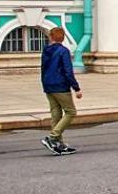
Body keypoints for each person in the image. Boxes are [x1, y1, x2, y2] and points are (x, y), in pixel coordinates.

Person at [40, 27, 82, 155]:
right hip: (60, 86)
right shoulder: (63, 51)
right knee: (71, 112)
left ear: (50, 37)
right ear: (63, 38)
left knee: (56, 115)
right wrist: (76, 88)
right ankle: (52, 137)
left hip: (48, 85)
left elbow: (43, 68)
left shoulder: (45, 50)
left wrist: (45, 84)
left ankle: (59, 144)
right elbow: (68, 72)